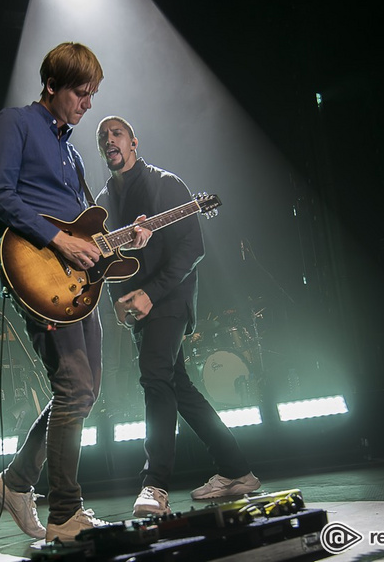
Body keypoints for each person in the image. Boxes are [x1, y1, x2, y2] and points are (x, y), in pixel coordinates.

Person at [0, 43, 151, 542]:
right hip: (38, 275)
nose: (88, 103)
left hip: (79, 285)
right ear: (52, 85)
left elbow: (84, 228)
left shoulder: (73, 152)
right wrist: (57, 240)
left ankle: (16, 483)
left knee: (83, 391)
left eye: (93, 93)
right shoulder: (13, 124)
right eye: (81, 91)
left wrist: (125, 238)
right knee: (74, 387)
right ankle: (64, 514)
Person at [94, 116, 260, 517]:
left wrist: (151, 293)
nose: (109, 140)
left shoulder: (166, 184)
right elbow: (108, 262)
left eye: (116, 133)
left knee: (153, 377)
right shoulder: (102, 203)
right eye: (103, 137)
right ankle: (237, 471)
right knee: (176, 385)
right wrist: (119, 300)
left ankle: (155, 486)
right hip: (139, 308)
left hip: (170, 299)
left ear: (134, 141)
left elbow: (192, 247)